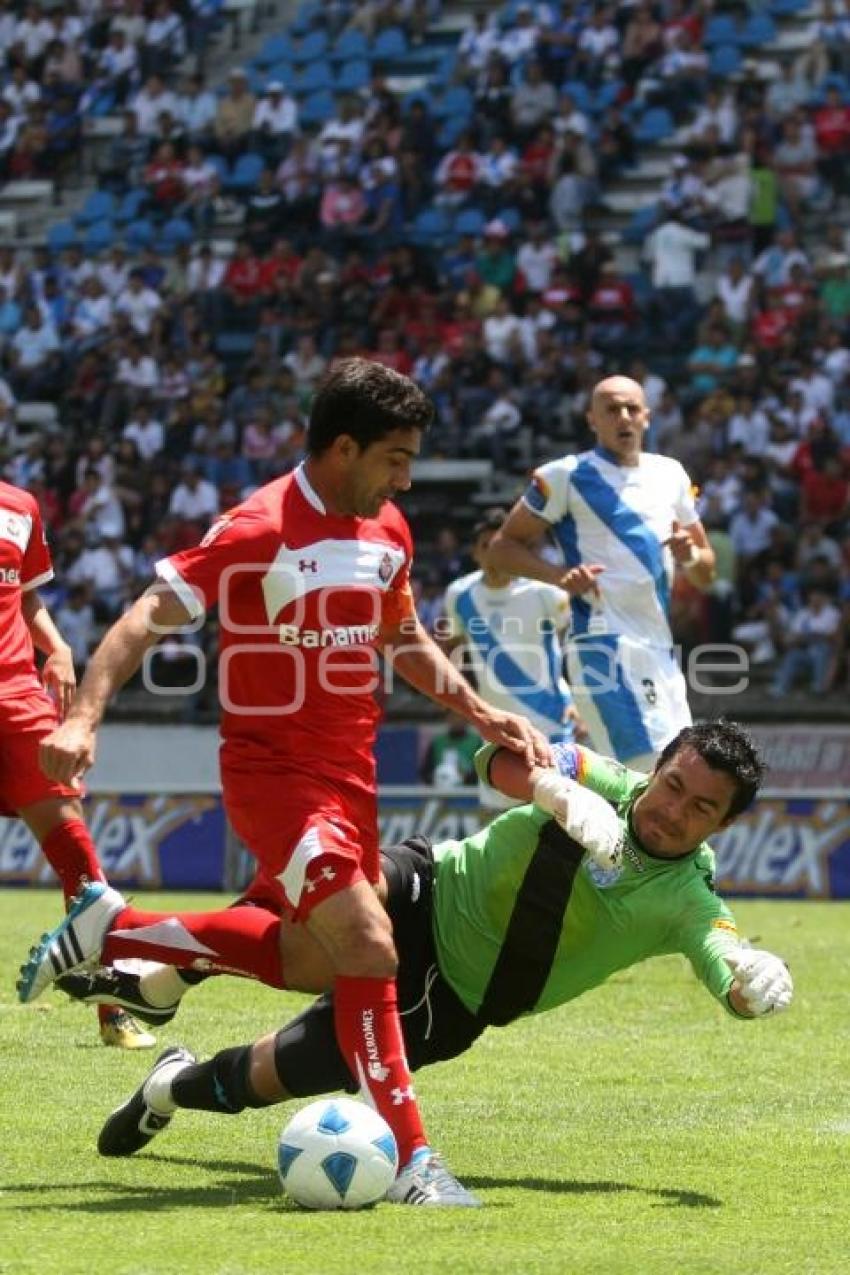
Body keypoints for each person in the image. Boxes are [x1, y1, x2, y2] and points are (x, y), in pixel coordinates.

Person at [35, 359, 549, 1207]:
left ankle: (118, 928)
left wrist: (482, 712)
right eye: (393, 456)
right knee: (373, 947)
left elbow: (406, 637)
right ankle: (415, 1161)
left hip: (353, 781)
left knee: (317, 960)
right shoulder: (255, 530)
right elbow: (137, 621)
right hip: (275, 779)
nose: (405, 476)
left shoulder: (387, 530)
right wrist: (84, 716)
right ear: (342, 447)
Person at [29, 722, 792, 1182]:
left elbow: (725, 965)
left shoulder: (691, 900)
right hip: (430, 882)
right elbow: (493, 757)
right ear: (656, 767)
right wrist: (554, 789)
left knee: (268, 1075)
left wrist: (751, 983)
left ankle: (168, 1084)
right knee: (319, 884)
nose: (671, 810)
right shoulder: (606, 779)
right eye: (671, 784)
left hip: (453, 1002)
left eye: (700, 808)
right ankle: (165, 969)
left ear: (721, 827)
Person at [485, 376, 716, 771]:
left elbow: (706, 573)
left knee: (676, 774)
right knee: (654, 774)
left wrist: (690, 554)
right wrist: (559, 576)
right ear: (592, 419)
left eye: (631, 408)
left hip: (658, 648)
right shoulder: (565, 476)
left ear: (647, 416)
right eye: (611, 409)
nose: (623, 417)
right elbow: (501, 549)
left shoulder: (671, 474)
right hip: (603, 644)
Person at [0, 478, 153, 1049]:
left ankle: (112, 1008)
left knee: (79, 860)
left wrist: (58, 647)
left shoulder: (20, 507)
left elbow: (25, 595)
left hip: (17, 699)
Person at [442, 507, 579, 815]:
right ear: (476, 553)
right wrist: (463, 703)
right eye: (485, 546)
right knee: (494, 822)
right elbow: (452, 649)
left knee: (556, 821)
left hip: (550, 722)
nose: (492, 554)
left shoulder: (546, 594)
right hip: (496, 728)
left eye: (499, 546)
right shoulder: (459, 595)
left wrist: (578, 700)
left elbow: (577, 647)